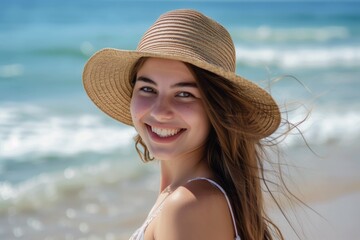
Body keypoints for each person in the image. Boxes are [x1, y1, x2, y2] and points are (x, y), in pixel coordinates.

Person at [83, 9, 294, 240]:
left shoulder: (187, 206)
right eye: (147, 89)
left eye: (184, 93)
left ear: (216, 108)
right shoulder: (187, 195)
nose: (160, 111)